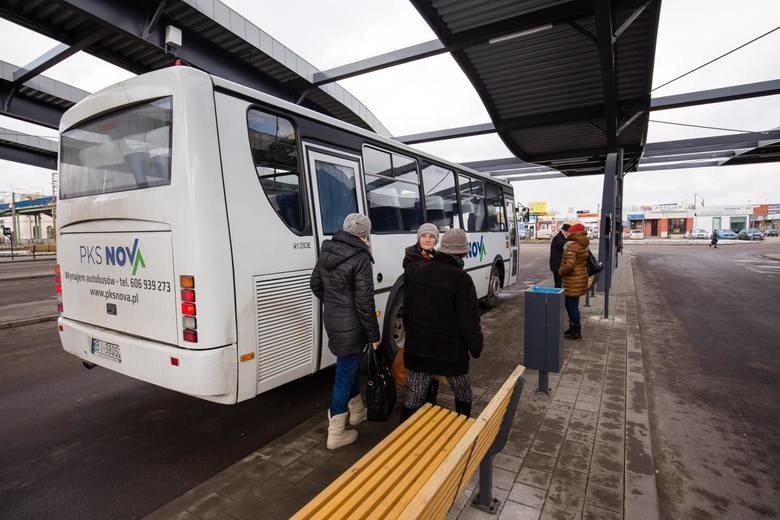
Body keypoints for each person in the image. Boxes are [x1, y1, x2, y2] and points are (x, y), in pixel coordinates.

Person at [310, 213, 380, 449]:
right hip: (352, 325)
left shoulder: (327, 251)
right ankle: (336, 433)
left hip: (333, 320)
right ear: (365, 233)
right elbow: (364, 302)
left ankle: (358, 412)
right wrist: (374, 336)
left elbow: (316, 285)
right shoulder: (360, 257)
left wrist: (335, 303)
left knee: (346, 367)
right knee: (343, 375)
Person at [400, 228, 483, 423]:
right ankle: (462, 428)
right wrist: (476, 347)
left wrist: (411, 338)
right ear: (463, 253)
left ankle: (401, 432)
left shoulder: (420, 271)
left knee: (415, 394)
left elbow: (407, 310)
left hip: (420, 347)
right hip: (450, 351)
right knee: (462, 391)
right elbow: (469, 320)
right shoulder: (462, 279)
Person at [402, 223, 440, 404]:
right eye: (424, 236)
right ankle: (418, 401)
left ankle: (429, 398)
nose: (427, 239)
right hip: (419, 318)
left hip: (433, 319)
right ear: (418, 238)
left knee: (432, 360)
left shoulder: (435, 258)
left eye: (431, 237)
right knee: (421, 363)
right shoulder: (413, 261)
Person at [558, 222, 589, 340]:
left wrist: (560, 271)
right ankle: (573, 328)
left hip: (573, 279)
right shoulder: (583, 244)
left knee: (572, 305)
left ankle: (576, 330)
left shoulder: (572, 246)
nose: (568, 233)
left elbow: (569, 265)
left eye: (571, 231)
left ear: (574, 233)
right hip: (579, 277)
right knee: (570, 304)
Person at [549, 223, 571, 288]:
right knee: (558, 283)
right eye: (569, 232)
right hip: (557, 265)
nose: (569, 234)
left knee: (559, 282)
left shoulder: (562, 237)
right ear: (564, 231)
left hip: (559, 264)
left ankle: (557, 296)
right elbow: (564, 246)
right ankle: (556, 297)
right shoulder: (558, 238)